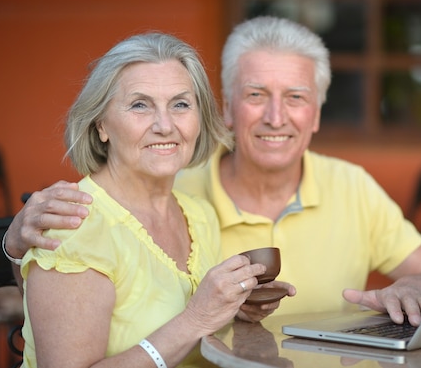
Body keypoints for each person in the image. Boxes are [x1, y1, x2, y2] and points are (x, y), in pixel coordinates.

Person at [5, 17, 421, 327]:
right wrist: (14, 246)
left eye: (296, 98)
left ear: (316, 115)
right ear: (225, 107)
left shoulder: (351, 186)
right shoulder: (170, 184)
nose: (276, 117)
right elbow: (63, 282)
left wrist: (416, 286)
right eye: (256, 94)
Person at [17, 32, 271, 368]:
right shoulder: (75, 225)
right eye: (140, 105)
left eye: (180, 104)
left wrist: (233, 309)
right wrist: (195, 319)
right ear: (101, 125)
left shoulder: (198, 214)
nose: (165, 125)